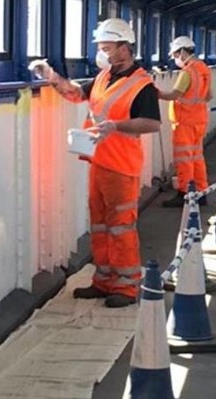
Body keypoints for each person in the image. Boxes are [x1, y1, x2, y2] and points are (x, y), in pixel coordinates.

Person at [33, 19, 161, 308]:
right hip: (99, 161)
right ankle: (104, 281)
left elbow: (152, 123)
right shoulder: (104, 77)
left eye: (107, 48)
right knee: (101, 226)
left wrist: (114, 127)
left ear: (125, 48)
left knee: (121, 227)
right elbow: (77, 95)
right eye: (101, 48)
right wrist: (52, 76)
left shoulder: (142, 85)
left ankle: (127, 287)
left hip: (122, 166)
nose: (102, 53)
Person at [158, 36, 213, 207]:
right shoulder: (204, 69)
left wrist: (155, 92)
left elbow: (175, 95)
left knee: (183, 159)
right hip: (199, 121)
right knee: (197, 157)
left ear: (182, 51)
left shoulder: (187, 72)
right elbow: (209, 95)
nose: (175, 58)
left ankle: (184, 193)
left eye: (175, 54)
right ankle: (201, 192)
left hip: (184, 123)